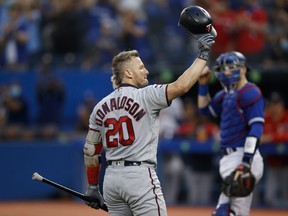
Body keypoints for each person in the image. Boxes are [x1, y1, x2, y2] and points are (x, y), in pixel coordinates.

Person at [82, 31, 216, 214]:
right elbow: (181, 86)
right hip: (139, 176)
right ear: (128, 73)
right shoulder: (147, 95)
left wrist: (92, 185)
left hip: (111, 180)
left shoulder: (100, 106)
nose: (146, 71)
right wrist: (203, 55)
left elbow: (91, 150)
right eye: (141, 67)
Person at [197, 51, 265, 216]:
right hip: (229, 158)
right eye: (223, 69)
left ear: (242, 69)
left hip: (244, 157)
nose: (225, 72)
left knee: (227, 212)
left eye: (230, 68)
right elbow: (205, 110)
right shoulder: (225, 95)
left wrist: (246, 162)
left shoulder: (251, 92)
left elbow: (256, 128)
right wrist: (203, 84)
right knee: (232, 212)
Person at [261, 91, 288, 208]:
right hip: (271, 163)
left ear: (282, 104)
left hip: (286, 165)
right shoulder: (266, 117)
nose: (275, 107)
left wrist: (271, 137)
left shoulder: (286, 116)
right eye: (273, 104)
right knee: (270, 197)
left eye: (277, 104)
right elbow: (258, 134)